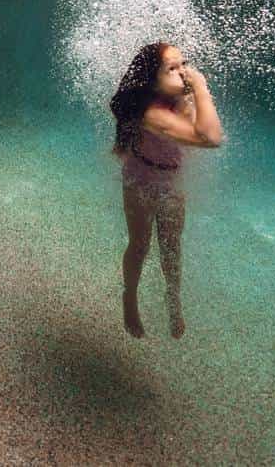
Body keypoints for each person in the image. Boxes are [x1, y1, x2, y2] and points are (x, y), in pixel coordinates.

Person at [110, 42, 224, 339]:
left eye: (183, 64)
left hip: (171, 182)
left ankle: (173, 298)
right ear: (152, 81)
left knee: (171, 246)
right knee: (140, 245)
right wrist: (200, 85)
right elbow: (211, 138)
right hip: (140, 181)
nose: (183, 72)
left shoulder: (178, 102)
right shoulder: (153, 114)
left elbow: (204, 128)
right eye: (171, 69)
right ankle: (129, 297)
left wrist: (192, 94)